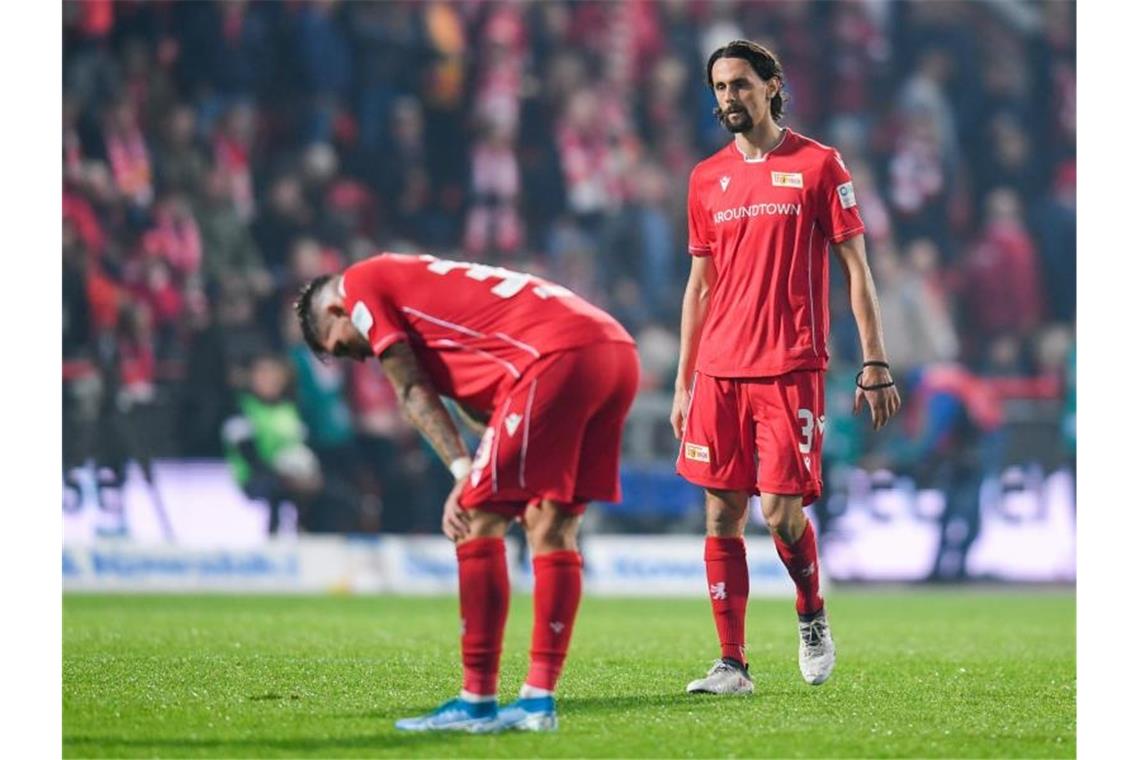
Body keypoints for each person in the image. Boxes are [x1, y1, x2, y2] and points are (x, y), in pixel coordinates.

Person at [293, 252, 639, 731]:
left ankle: (476, 701)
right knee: (552, 524)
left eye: (347, 347)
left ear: (335, 312)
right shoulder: (428, 301)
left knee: (476, 519)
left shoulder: (359, 285)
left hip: (553, 356)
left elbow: (411, 390)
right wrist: (487, 468)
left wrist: (464, 474)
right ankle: (537, 702)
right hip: (613, 350)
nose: (363, 355)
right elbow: (488, 407)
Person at [672, 40, 901, 695]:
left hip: (789, 366)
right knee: (721, 517)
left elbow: (857, 270)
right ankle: (732, 663)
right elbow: (699, 288)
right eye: (719, 87)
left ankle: (810, 610)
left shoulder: (819, 166)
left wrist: (874, 359)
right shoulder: (705, 178)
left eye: (741, 85)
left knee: (780, 514)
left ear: (772, 86)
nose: (728, 99)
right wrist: (685, 382)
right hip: (719, 370)